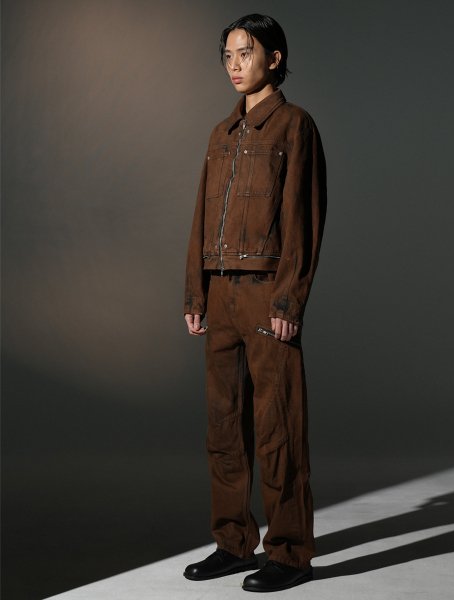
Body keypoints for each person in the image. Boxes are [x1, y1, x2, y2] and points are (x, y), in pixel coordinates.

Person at [183, 13, 327, 593]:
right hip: (220, 296)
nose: (235, 65)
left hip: (267, 296)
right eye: (228, 56)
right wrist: (196, 291)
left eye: (245, 53)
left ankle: (290, 552)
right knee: (223, 427)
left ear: (274, 57)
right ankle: (232, 543)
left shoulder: (295, 125)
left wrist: (289, 301)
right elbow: (200, 215)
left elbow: (303, 220)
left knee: (278, 427)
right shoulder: (221, 133)